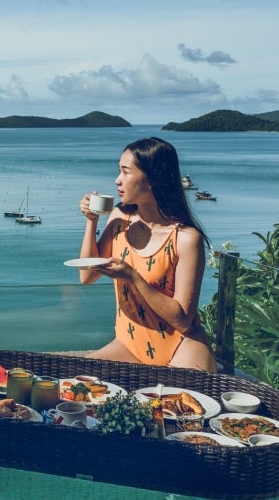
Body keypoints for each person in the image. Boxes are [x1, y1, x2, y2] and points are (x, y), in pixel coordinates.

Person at [77, 137, 216, 371]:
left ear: (152, 179)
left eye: (125, 172)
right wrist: (92, 221)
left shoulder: (186, 238)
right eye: (119, 171)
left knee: (178, 396)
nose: (117, 180)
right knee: (76, 381)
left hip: (182, 346)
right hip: (130, 345)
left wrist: (133, 278)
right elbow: (87, 276)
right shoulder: (120, 219)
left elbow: (183, 320)